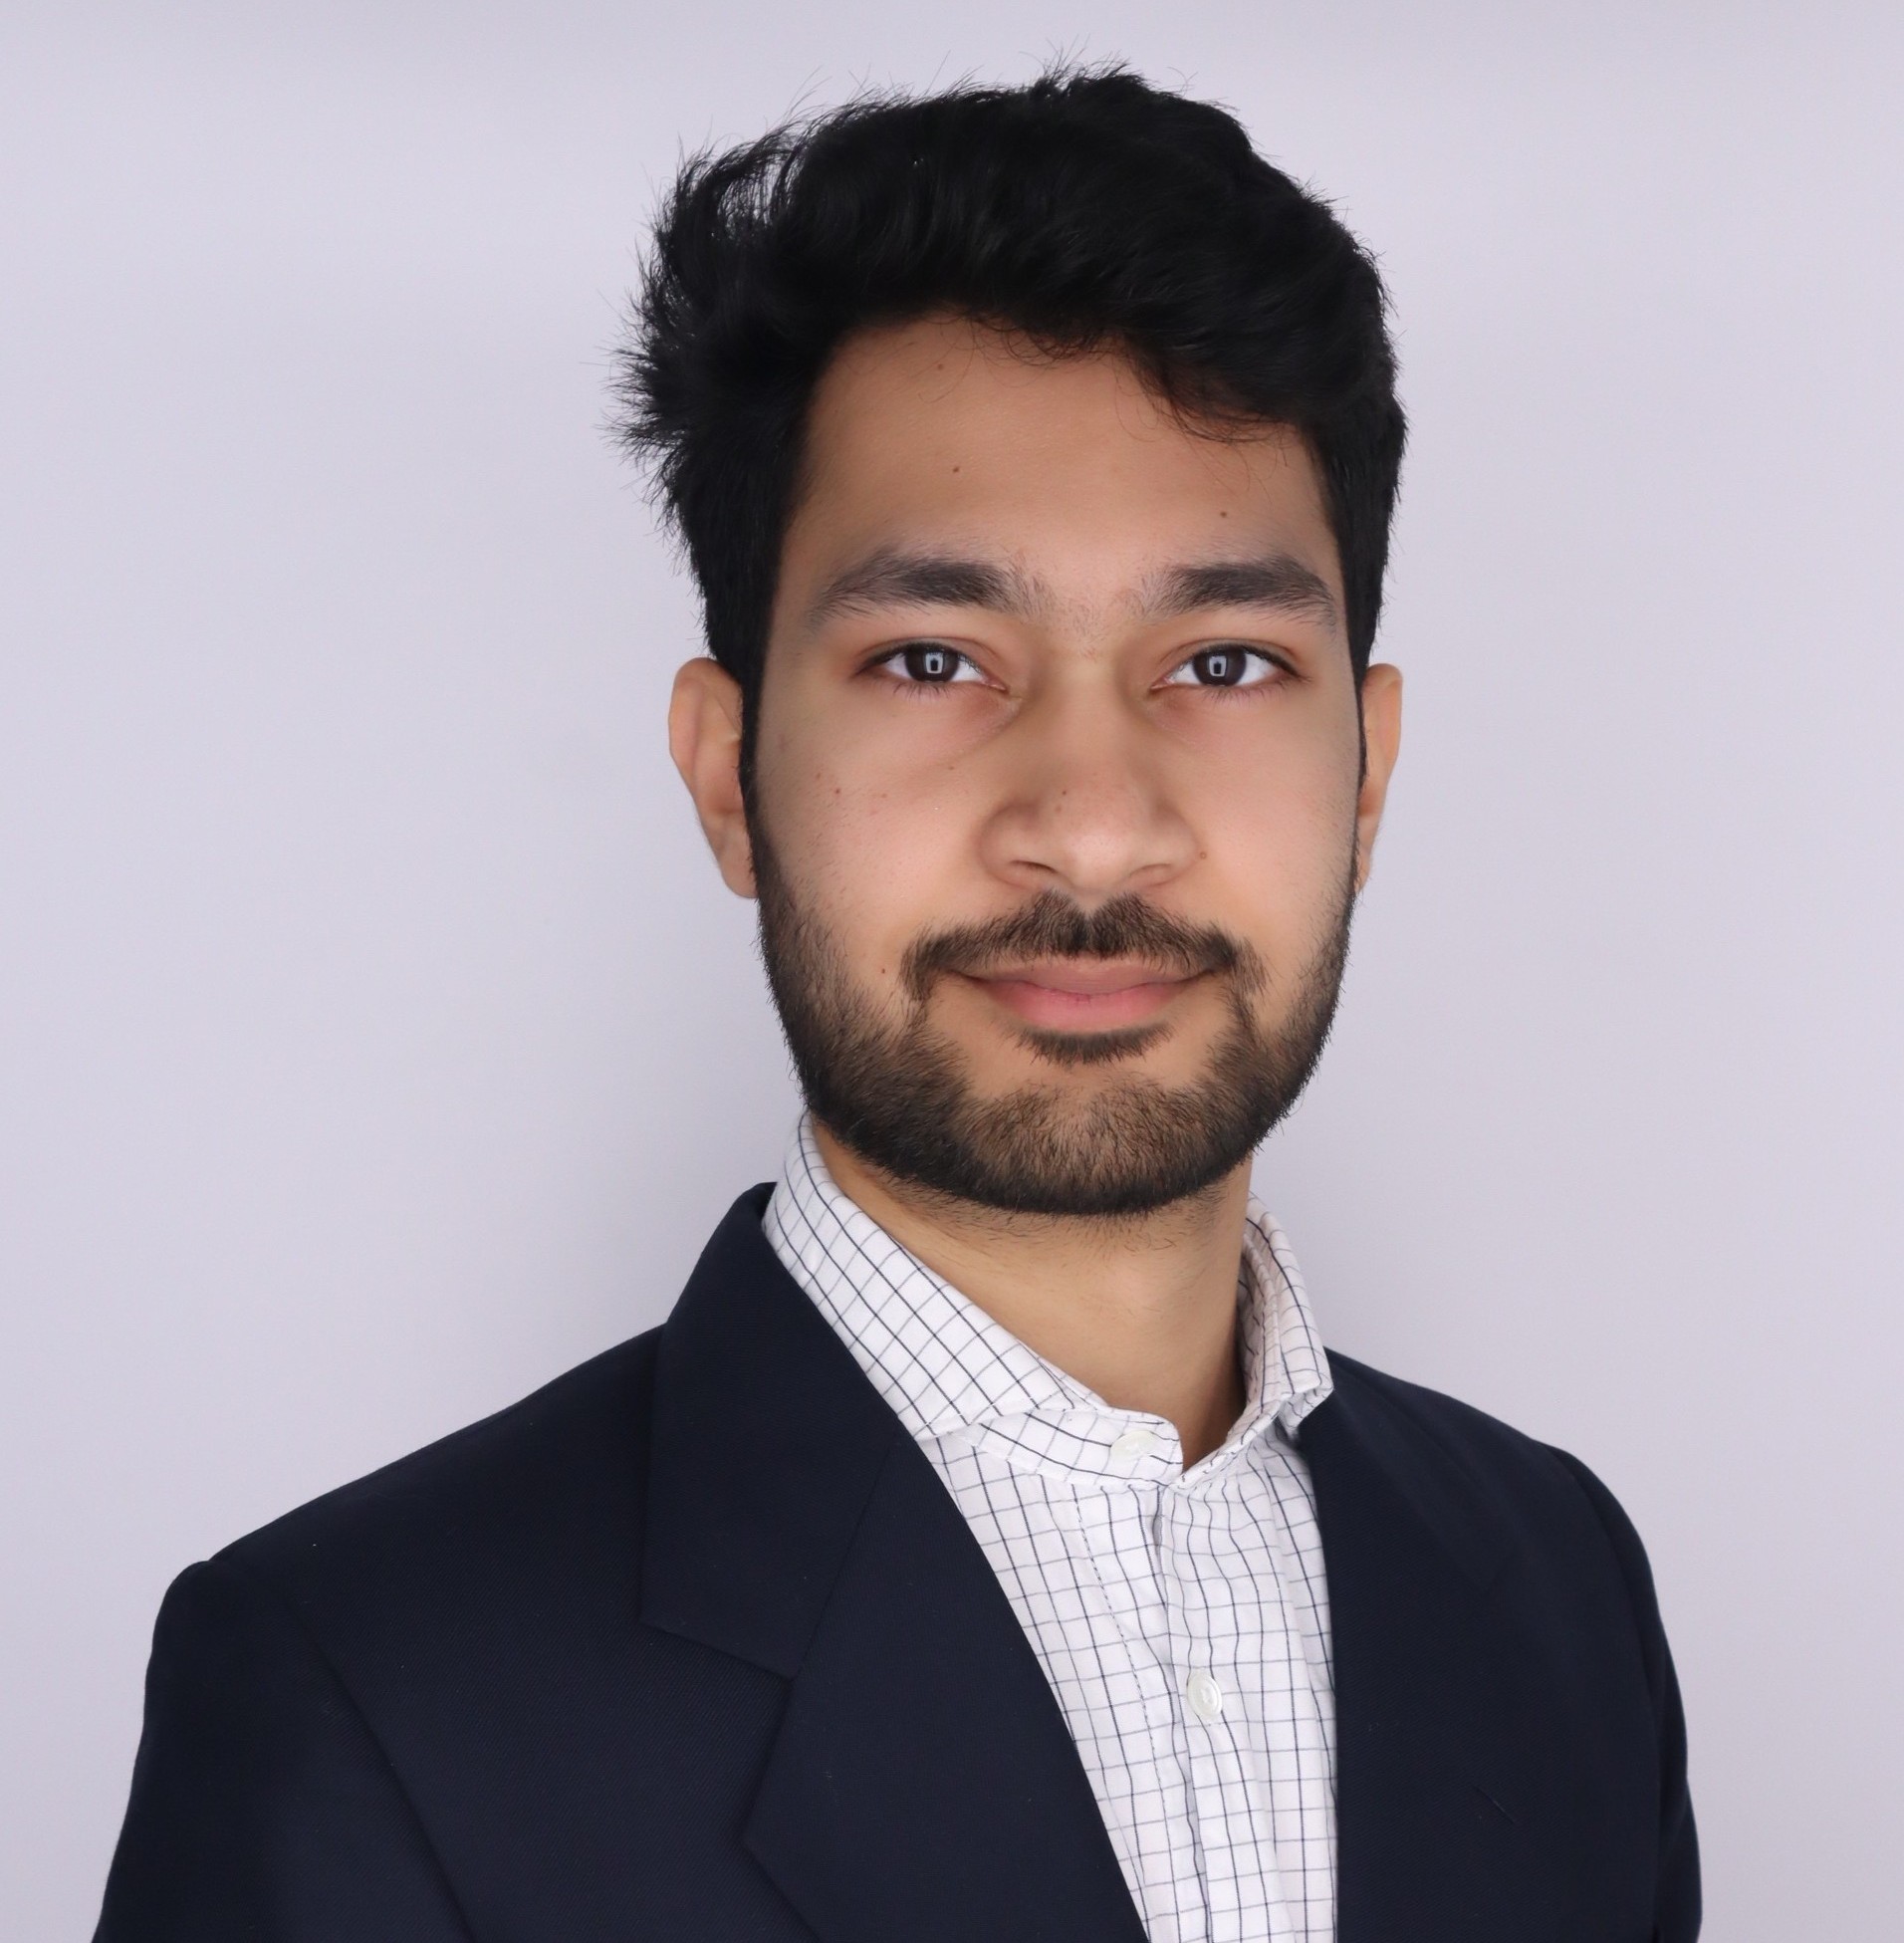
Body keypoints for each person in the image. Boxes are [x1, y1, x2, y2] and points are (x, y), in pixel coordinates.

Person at [94, 67, 1699, 1943]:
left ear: (1368, 773)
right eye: (935, 659)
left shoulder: (1557, 1583)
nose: (1089, 822)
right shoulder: (358, 1690)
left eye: (1223, 661)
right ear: (729, 776)